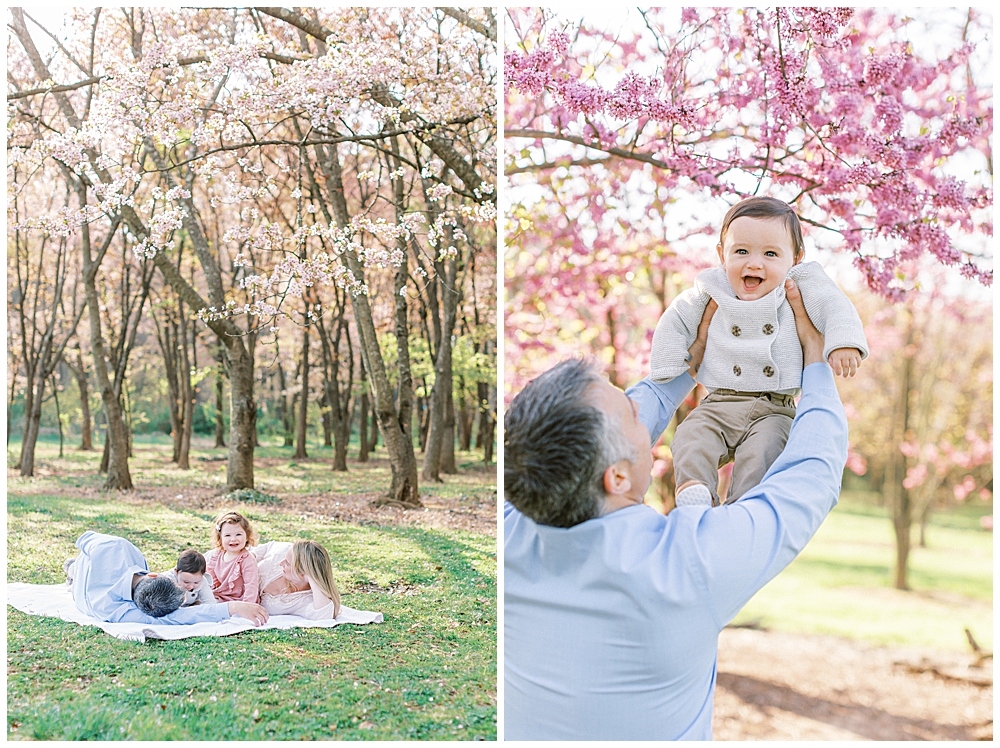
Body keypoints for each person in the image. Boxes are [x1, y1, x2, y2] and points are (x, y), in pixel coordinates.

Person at [504, 280, 848, 740]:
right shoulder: (688, 564)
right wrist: (817, 363)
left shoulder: (509, 529)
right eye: (631, 414)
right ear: (618, 478)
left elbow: (603, 436)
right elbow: (811, 473)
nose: (642, 414)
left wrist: (687, 363)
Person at [649, 196, 867, 506]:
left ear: (796, 257)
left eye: (770, 253)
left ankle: (743, 509)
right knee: (690, 435)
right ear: (722, 255)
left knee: (762, 454)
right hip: (720, 401)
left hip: (774, 406)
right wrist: (667, 362)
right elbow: (676, 318)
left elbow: (834, 305)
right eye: (741, 251)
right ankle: (695, 489)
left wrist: (843, 341)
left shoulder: (802, 281)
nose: (754, 263)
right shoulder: (712, 285)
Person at [67, 530, 268, 626]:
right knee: (74, 569)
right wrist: (232, 608)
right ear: (154, 575)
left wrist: (233, 607)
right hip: (81, 573)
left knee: (74, 570)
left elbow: (84, 538)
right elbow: (178, 618)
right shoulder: (119, 612)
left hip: (83, 580)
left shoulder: (116, 548)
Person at [254, 540, 343, 620]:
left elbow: (324, 615)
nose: (281, 563)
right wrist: (248, 559)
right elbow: (265, 548)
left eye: (287, 564)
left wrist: (312, 579)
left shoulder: (306, 598)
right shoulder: (288, 551)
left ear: (303, 574)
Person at [205, 510, 260, 603]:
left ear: (246, 536)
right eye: (227, 535)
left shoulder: (246, 560)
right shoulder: (217, 555)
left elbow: (251, 586)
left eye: (238, 534)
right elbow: (209, 576)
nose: (233, 539)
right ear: (220, 538)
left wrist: (247, 606)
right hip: (220, 595)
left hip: (239, 600)